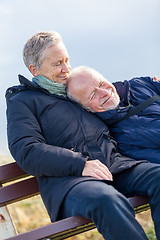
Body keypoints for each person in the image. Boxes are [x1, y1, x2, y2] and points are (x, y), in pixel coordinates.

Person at [5, 31, 160, 240]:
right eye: (57, 63)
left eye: (67, 60)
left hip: (116, 167)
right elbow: (26, 150)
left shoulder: (74, 90)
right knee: (107, 200)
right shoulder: (23, 101)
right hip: (72, 182)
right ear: (35, 69)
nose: (66, 69)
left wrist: (148, 84)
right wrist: (81, 164)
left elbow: (108, 92)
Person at [67, 66, 160, 164]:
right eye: (93, 95)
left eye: (102, 84)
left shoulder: (140, 84)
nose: (105, 92)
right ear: (85, 108)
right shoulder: (117, 140)